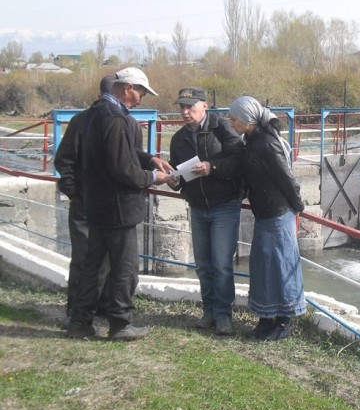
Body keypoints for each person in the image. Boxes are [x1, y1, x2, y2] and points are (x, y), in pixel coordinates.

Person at [67, 67, 174, 341]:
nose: (141, 99)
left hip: (97, 204)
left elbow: (120, 153)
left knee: (94, 266)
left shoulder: (94, 115)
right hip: (118, 207)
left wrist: (150, 159)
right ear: (127, 88)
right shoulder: (116, 118)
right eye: (140, 92)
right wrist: (153, 176)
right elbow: (122, 167)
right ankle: (120, 323)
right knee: (124, 268)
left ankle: (80, 321)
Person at [168, 87, 246, 335]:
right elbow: (178, 172)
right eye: (181, 106)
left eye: (190, 106)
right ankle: (209, 310)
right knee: (203, 264)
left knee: (222, 264)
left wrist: (213, 167)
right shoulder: (178, 138)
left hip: (224, 205)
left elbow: (240, 161)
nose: (185, 111)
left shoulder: (222, 128)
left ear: (205, 105)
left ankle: (224, 315)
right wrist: (174, 180)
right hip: (197, 206)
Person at [228, 95, 306, 341]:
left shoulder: (266, 143)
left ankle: (283, 321)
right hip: (265, 214)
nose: (230, 122)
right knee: (263, 268)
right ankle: (265, 318)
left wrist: (298, 207)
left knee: (281, 268)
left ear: (247, 119)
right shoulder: (251, 140)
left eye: (233, 118)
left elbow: (285, 178)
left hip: (279, 214)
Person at [54, 75, 115, 324]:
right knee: (84, 256)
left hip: (109, 204)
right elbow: (64, 160)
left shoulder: (117, 121)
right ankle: (77, 308)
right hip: (84, 203)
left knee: (108, 257)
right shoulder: (82, 122)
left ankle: (101, 305)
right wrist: (75, 193)